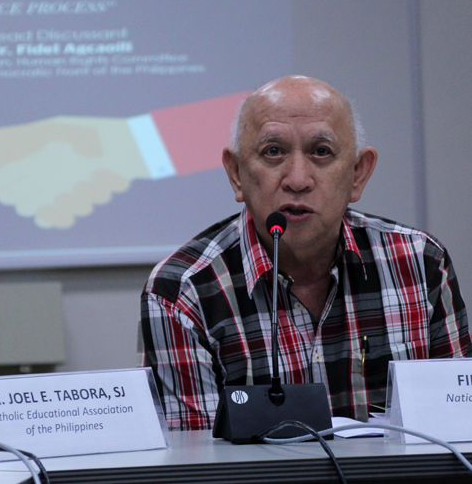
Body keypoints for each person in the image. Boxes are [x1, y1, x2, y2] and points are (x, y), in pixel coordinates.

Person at [140, 75, 472, 430]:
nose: (298, 179)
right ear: (236, 174)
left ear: (358, 174)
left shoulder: (420, 263)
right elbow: (198, 464)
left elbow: (459, 429)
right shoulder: (182, 293)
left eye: (321, 152)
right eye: (273, 152)